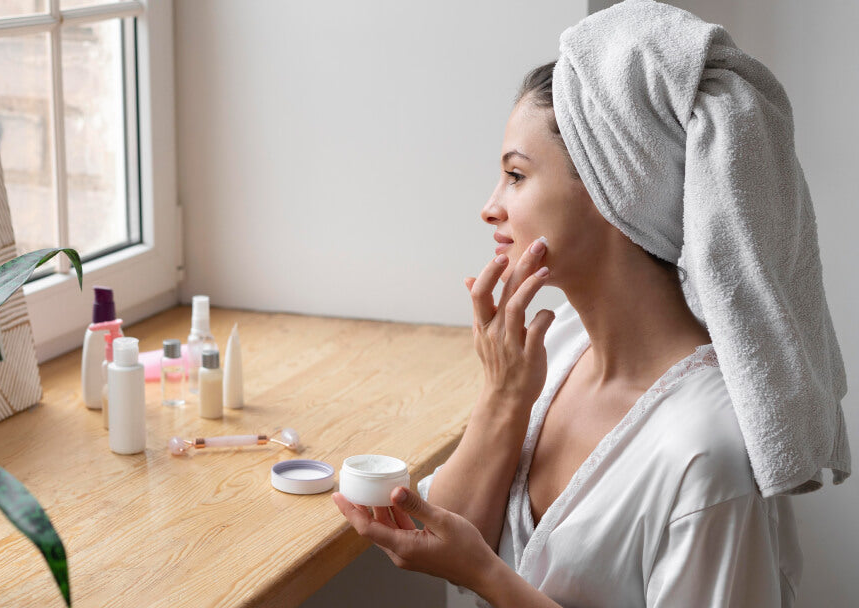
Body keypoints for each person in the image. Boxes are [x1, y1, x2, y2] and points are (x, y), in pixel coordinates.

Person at [332, 11, 821, 605]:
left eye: (516, 175)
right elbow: (439, 537)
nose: (490, 208)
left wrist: (490, 578)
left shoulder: (706, 454)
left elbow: (469, 565)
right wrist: (502, 399)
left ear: (612, 188)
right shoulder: (554, 348)